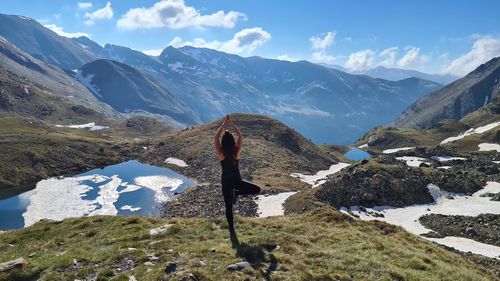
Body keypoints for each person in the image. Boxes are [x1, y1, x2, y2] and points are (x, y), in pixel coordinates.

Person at [214, 114, 261, 238]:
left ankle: (231, 230)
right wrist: (232, 124)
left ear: (223, 143)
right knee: (257, 190)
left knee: (228, 207)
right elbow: (240, 136)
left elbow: (216, 137)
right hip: (237, 182)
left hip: (226, 183)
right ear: (233, 142)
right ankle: (238, 193)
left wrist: (224, 124)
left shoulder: (221, 155)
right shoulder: (236, 154)